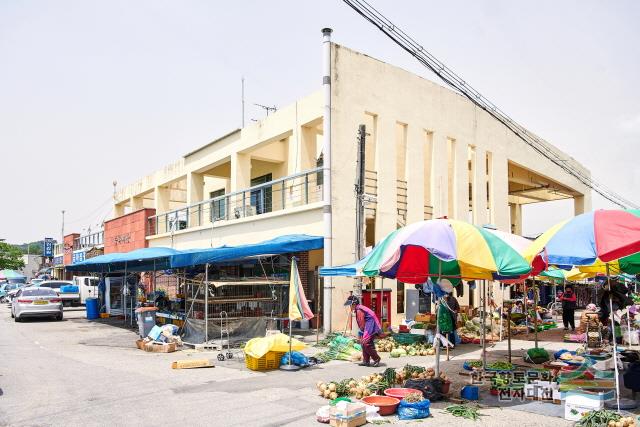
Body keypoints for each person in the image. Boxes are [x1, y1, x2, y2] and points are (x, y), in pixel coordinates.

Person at [345, 295, 382, 367]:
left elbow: (361, 322)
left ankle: (376, 359)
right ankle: (366, 361)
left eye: (350, 305)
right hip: (369, 325)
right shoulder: (359, 308)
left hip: (371, 325)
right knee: (363, 343)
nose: (350, 307)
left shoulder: (359, 310)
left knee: (365, 342)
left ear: (354, 304)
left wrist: (361, 333)